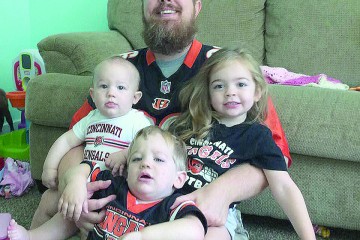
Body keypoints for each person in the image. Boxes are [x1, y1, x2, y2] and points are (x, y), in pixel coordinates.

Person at [32, 0, 292, 239]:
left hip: (186, 203)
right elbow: (79, 138)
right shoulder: (120, 70)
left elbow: (274, 156)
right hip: (122, 193)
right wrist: (75, 185)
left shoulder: (226, 69)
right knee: (51, 201)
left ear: (197, 5)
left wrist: (222, 190)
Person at [168, 47, 315, 239]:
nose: (230, 92)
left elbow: (284, 188)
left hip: (218, 215)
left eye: (241, 84)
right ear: (209, 93)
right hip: (173, 201)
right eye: (219, 86)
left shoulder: (257, 136)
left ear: (257, 92)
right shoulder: (190, 124)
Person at [8, 126, 207, 240]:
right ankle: (33, 237)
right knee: (75, 207)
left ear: (179, 179)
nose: (145, 163)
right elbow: (83, 168)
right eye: (136, 159)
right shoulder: (113, 186)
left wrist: (142, 237)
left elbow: (195, 230)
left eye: (159, 160)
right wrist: (76, 182)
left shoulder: (173, 205)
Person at [31, 56, 151, 228]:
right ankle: (30, 234)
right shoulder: (91, 118)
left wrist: (126, 154)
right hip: (80, 185)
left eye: (121, 87)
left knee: (94, 227)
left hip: (115, 190)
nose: (111, 93)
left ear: (135, 97)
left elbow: (149, 149)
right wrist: (49, 168)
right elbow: (66, 140)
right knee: (48, 199)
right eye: (104, 86)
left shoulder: (137, 121)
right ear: (93, 95)